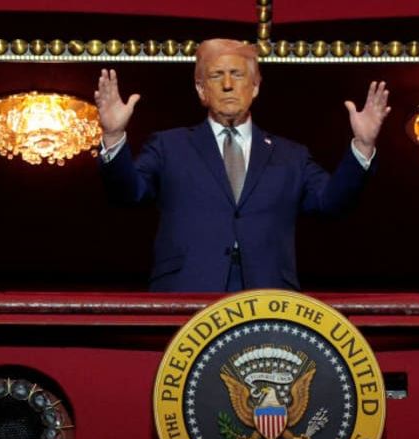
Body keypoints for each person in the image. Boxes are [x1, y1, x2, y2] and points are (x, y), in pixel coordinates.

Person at [95, 38, 390, 292]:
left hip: (267, 297)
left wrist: (363, 146)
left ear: (255, 86)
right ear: (201, 89)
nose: (227, 85)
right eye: (216, 76)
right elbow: (128, 193)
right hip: (188, 293)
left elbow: (332, 203)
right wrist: (113, 136)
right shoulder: (168, 146)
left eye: (237, 74)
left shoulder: (292, 156)